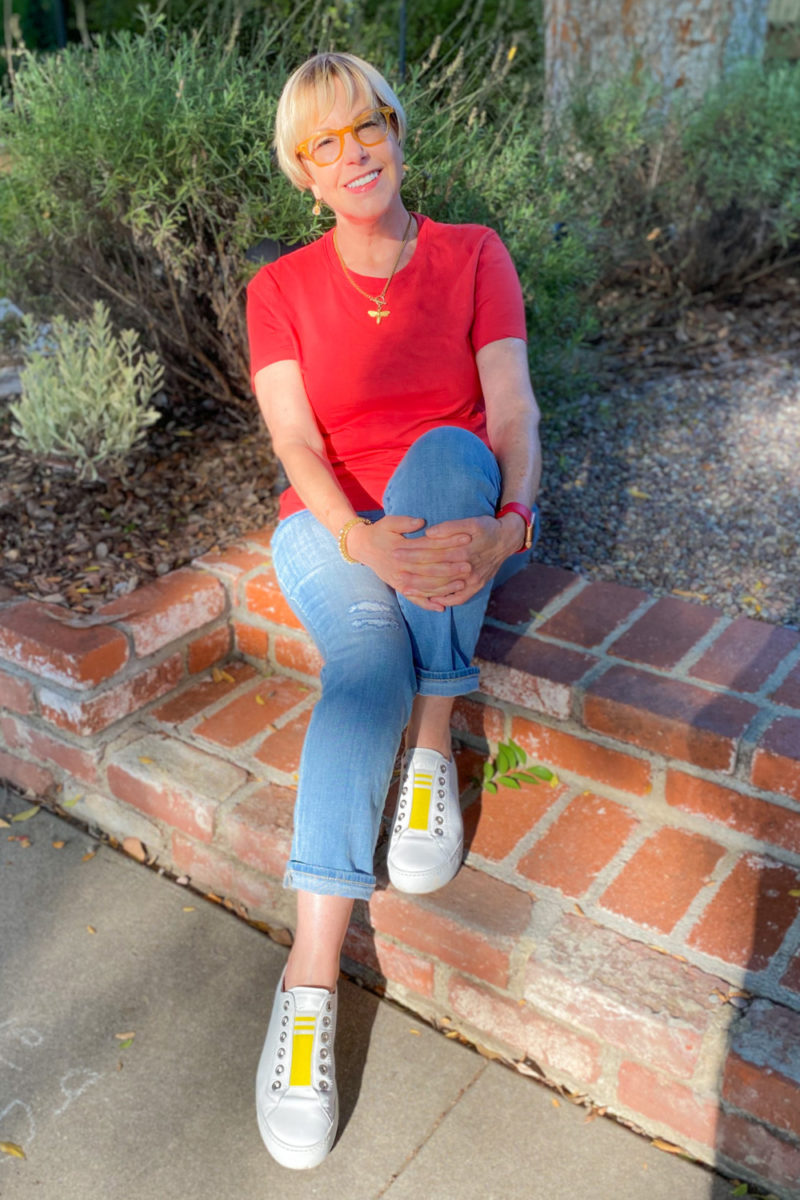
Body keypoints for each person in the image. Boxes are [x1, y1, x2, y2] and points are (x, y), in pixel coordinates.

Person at [246, 50, 541, 1171]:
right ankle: (308, 989)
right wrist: (354, 536)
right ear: (301, 173)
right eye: (322, 141)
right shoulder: (277, 290)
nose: (350, 151)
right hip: (327, 529)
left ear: (397, 133)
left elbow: (511, 409)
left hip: (451, 506)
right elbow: (294, 443)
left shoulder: (472, 255)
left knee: (445, 454)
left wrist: (512, 523)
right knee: (360, 661)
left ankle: (433, 743)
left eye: (364, 124)